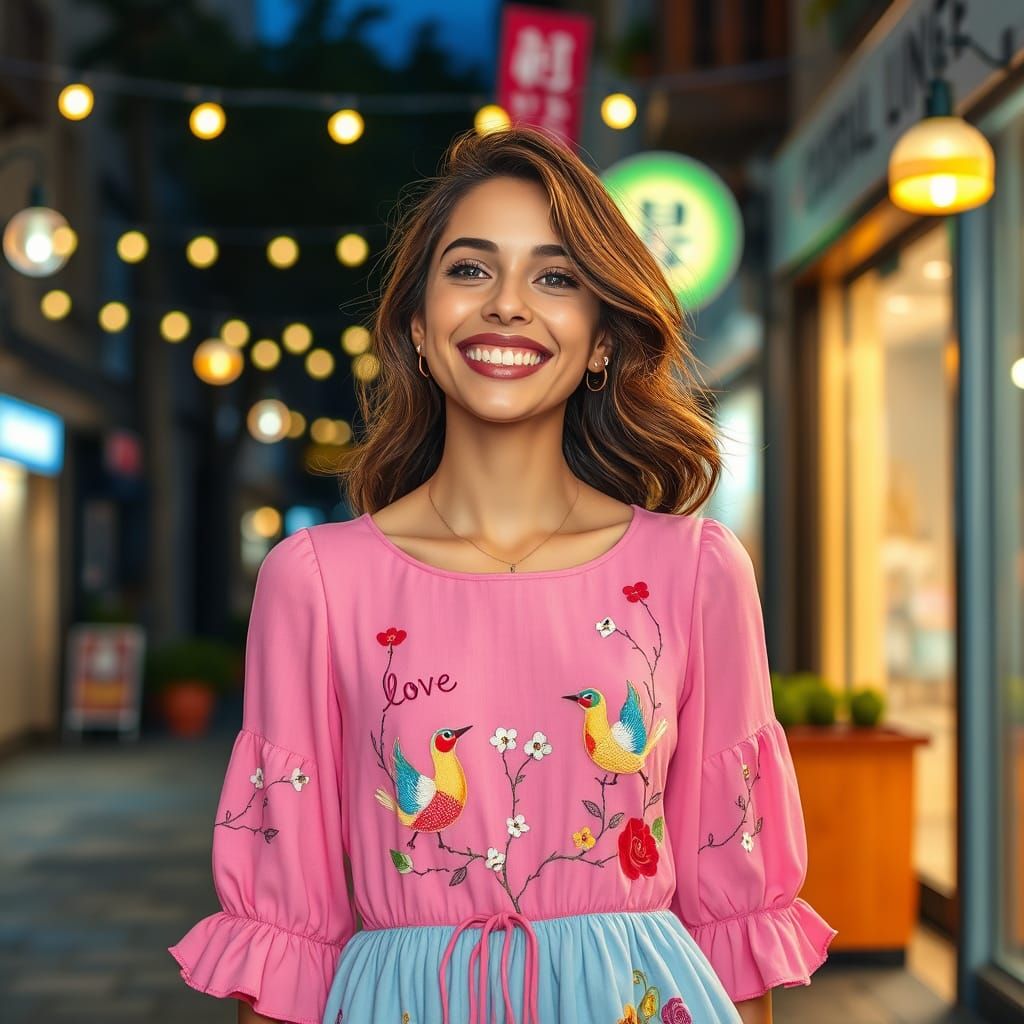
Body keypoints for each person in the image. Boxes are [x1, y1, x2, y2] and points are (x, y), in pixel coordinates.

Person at [168, 124, 837, 1024]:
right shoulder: (317, 581)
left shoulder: (695, 570)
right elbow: (284, 926)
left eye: (555, 277)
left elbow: (735, 906)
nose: (508, 305)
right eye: (471, 269)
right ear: (415, 324)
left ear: (601, 338)